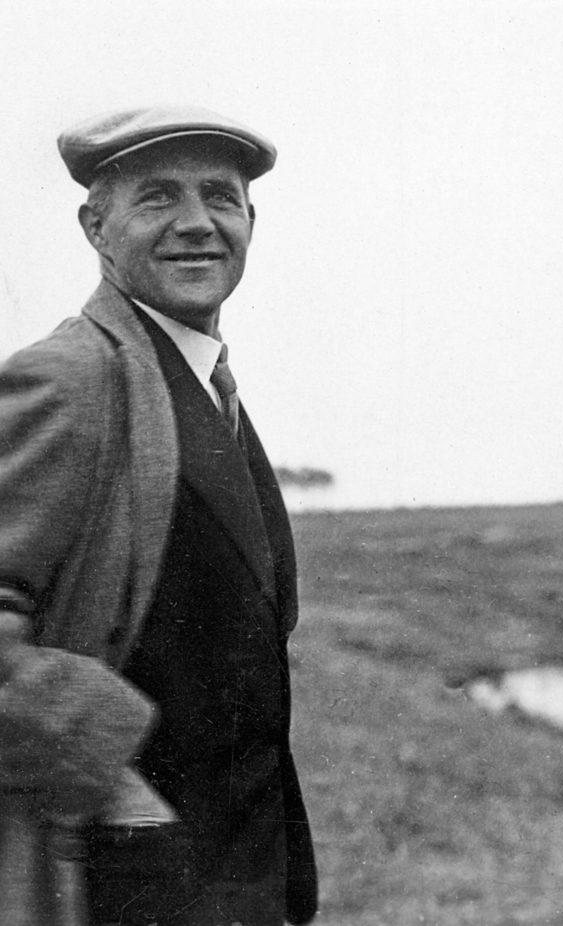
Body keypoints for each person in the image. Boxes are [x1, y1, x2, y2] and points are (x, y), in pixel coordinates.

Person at [0, 106, 317, 926]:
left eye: (220, 196)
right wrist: (108, 778)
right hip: (128, 882)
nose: (196, 223)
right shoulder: (70, 379)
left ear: (251, 221)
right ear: (95, 228)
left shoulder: (208, 384)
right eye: (156, 199)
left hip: (241, 872)